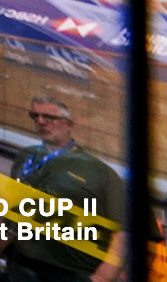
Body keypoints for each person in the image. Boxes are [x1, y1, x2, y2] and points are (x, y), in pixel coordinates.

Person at [7, 97, 125, 282]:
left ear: (68, 124)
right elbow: (10, 201)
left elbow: (122, 232)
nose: (40, 121)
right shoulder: (25, 156)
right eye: (34, 115)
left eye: (49, 117)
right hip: (22, 266)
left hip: (70, 273)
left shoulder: (98, 171)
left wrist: (103, 276)